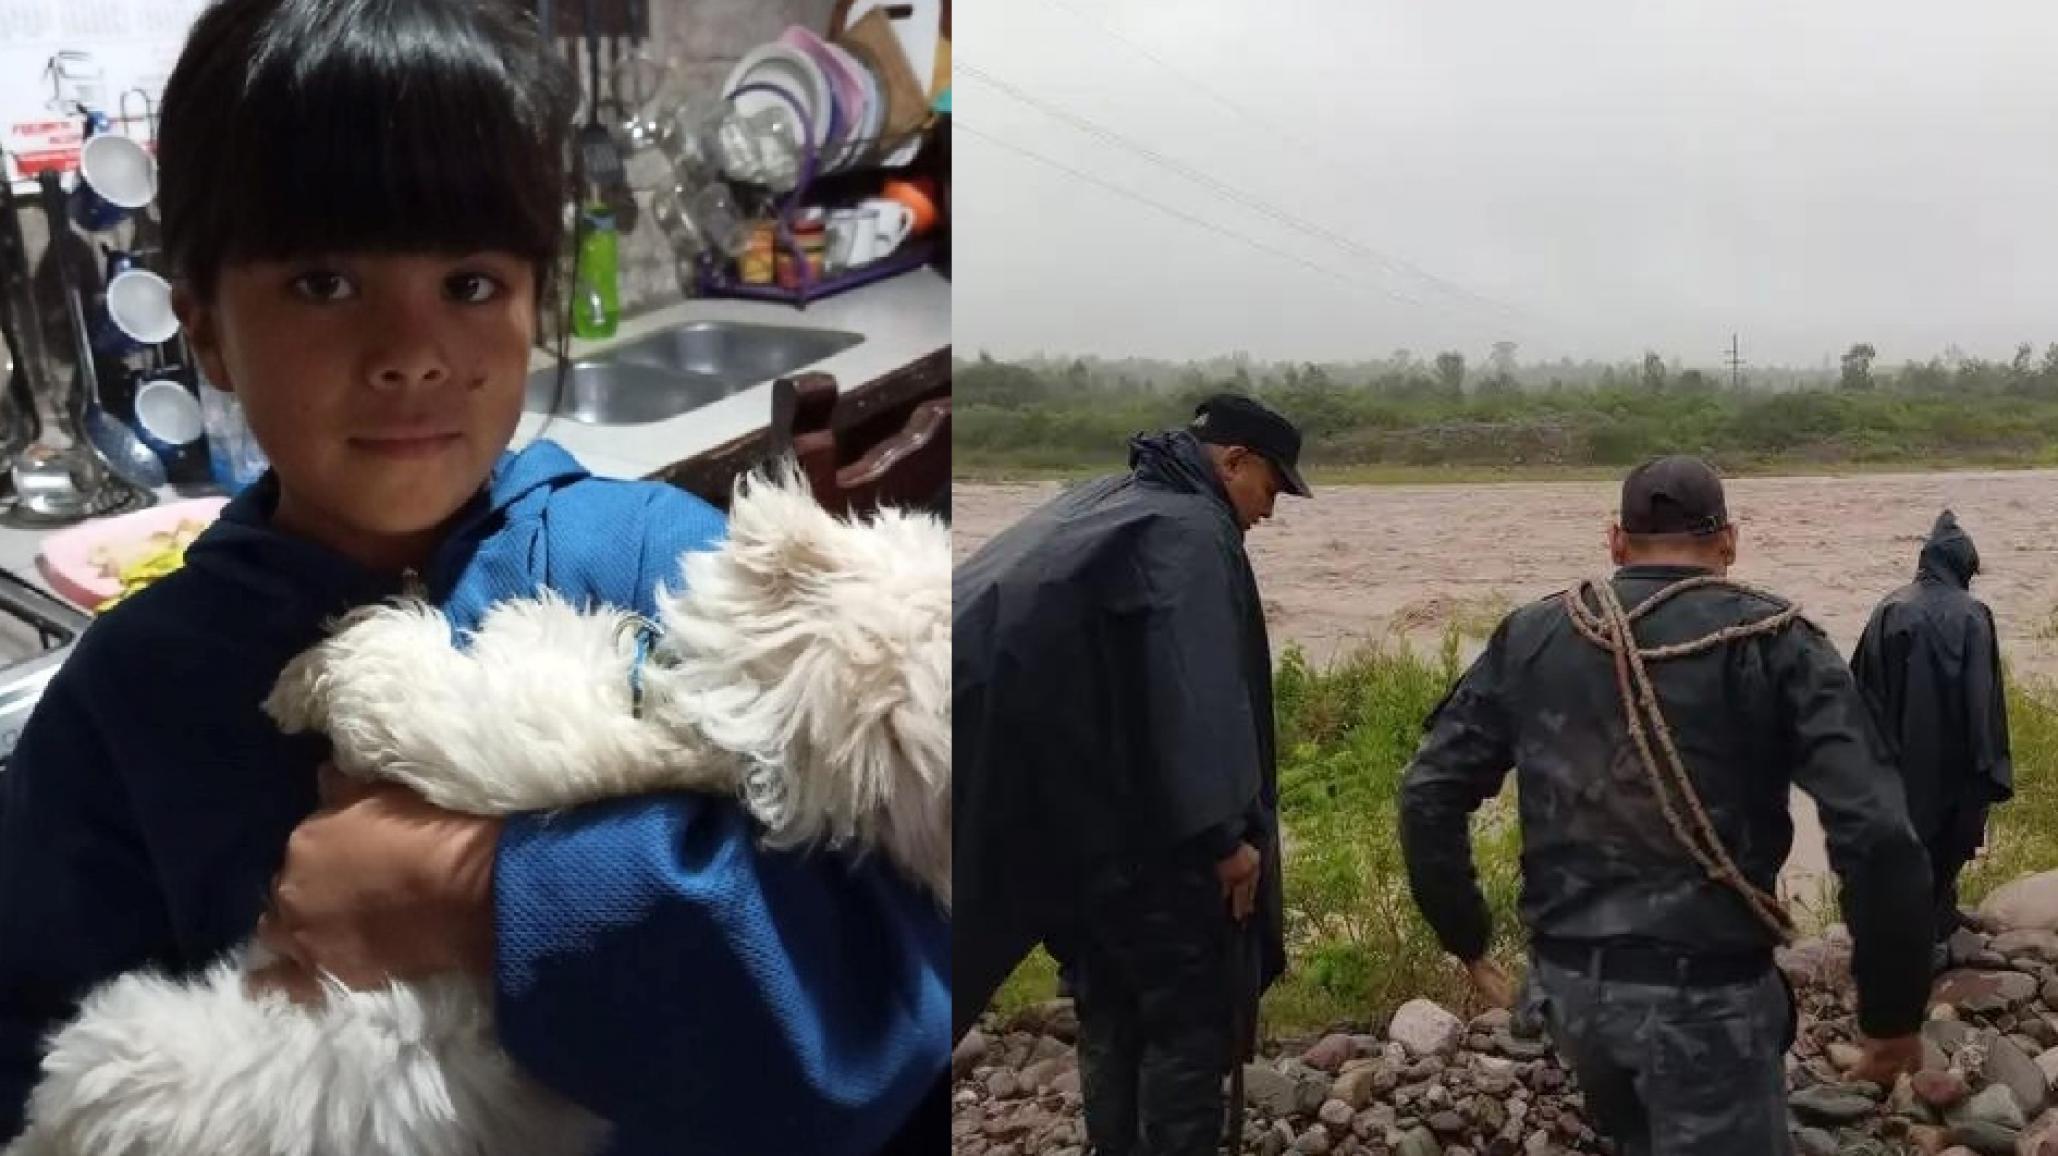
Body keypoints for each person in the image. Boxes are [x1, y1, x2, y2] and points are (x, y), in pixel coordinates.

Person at [0, 1, 946, 1152]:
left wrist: (479, 894)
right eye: (323, 282)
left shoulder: (664, 573)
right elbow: (38, 1070)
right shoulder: (130, 700)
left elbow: (896, 995)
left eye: (469, 283)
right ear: (202, 326)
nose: (413, 352)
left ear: (536, 297)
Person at [1398, 455, 1932, 1156]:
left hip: (1571, 995)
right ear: (1729, 541)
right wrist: (1892, 1014)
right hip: (1707, 1002)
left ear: (1616, 541)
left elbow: (1428, 792)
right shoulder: (1777, 642)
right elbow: (1881, 835)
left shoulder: (1532, 635)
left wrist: (1466, 935)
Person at [954, 393, 1310, 1156]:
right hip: (1167, 857)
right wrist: (1227, 840)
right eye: (1272, 487)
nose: (1269, 511)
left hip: (1087, 851)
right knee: (1188, 1027)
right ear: (1235, 462)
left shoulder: (1102, 504)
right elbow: (1195, 692)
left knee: (1110, 1016)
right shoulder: (1194, 533)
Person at [1851, 509, 2013, 960]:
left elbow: (1859, 691)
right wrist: (1990, 761)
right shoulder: (1974, 614)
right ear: (1962, 565)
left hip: (1897, 759)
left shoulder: (1888, 609)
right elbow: (1985, 698)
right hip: (1958, 757)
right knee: (1951, 835)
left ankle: (1930, 917)